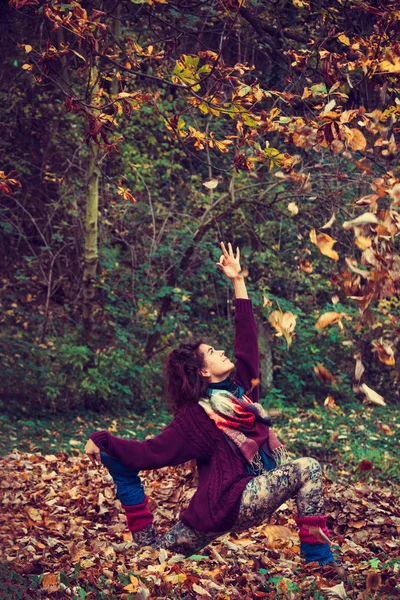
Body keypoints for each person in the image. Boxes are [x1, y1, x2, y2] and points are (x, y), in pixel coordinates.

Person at [85, 242, 345, 577]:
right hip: (225, 505)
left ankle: (318, 560)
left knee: (152, 553)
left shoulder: (239, 392)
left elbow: (246, 341)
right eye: (212, 351)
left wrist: (238, 280)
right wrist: (103, 440)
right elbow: (150, 453)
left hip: (221, 509)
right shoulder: (197, 417)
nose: (221, 351)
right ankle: (320, 563)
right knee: (307, 467)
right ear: (203, 371)